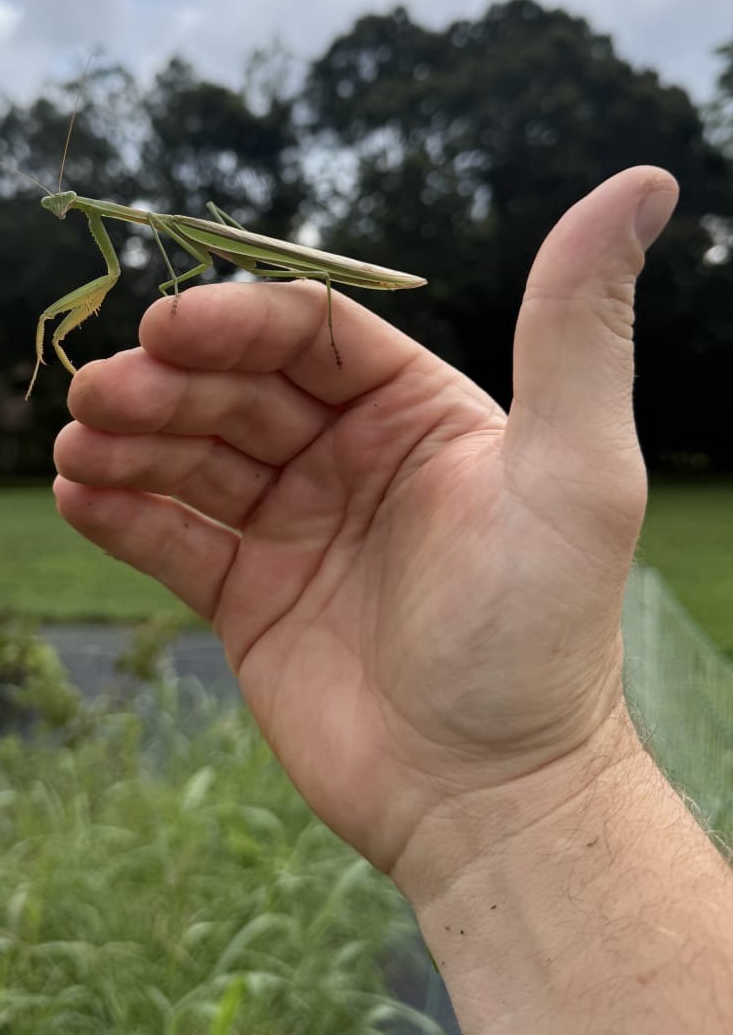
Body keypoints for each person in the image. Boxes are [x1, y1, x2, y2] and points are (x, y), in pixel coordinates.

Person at [52, 165, 733, 1034]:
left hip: (315, 280)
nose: (67, 213)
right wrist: (523, 798)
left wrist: (540, 781)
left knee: (257, 292)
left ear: (95, 210)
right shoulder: (154, 240)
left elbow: (221, 266)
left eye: (71, 206)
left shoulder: (173, 231)